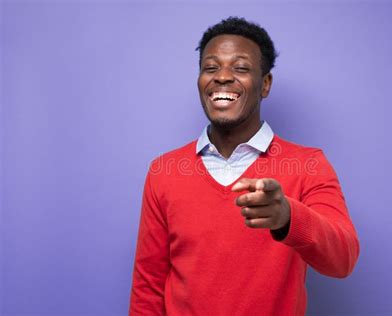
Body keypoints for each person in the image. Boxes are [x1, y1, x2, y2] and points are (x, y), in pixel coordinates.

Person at [129, 16, 359, 315]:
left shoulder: (308, 165)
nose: (222, 76)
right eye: (210, 67)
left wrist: (288, 217)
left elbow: (343, 259)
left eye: (240, 68)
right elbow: (148, 286)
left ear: (265, 84)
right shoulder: (164, 171)